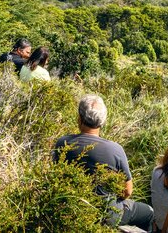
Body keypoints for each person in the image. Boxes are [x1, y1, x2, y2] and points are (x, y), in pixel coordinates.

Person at [52, 94, 153, 230]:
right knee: (149, 213)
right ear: (102, 122)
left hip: (70, 210)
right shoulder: (115, 149)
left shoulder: (63, 142)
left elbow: (56, 177)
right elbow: (127, 191)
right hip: (107, 214)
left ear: (79, 118)